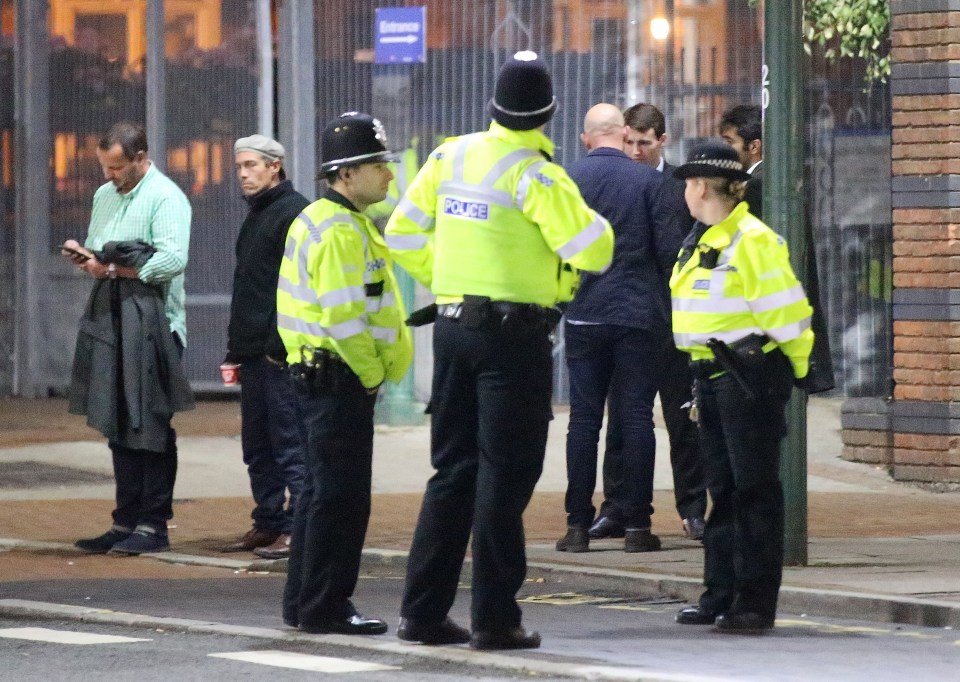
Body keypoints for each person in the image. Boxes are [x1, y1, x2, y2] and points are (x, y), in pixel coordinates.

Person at [385, 51, 613, 650]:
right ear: (549, 113)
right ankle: (494, 619)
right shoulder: (538, 175)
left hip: (455, 328)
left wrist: (453, 280)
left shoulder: (448, 156)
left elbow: (401, 233)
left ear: (493, 106)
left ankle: (422, 613)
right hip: (513, 341)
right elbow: (593, 250)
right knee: (504, 478)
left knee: (452, 472)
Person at [277, 112, 413, 635]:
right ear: (346, 174)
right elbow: (344, 316)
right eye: (378, 164)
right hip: (340, 380)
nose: (389, 174)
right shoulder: (337, 230)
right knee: (341, 501)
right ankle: (328, 605)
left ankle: (304, 603)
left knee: (317, 495)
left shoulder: (326, 220)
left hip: (320, 379)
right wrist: (371, 374)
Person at [670, 140, 814, 633]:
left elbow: (790, 316)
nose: (684, 192)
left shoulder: (752, 240)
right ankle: (720, 593)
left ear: (700, 186)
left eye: (687, 184)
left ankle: (753, 602)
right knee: (723, 491)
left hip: (746, 379)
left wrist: (790, 374)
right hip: (711, 377)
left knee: (754, 491)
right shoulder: (706, 238)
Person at [64, 121, 193, 556]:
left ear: (140, 158)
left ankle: (153, 524)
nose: (108, 176)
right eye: (105, 166)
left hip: (155, 324)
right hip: (113, 319)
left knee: (150, 423)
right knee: (118, 422)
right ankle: (125, 520)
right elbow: (101, 246)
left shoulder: (166, 197)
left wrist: (115, 269)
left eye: (116, 167)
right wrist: (87, 256)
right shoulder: (105, 196)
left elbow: (172, 259)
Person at [554, 103, 678, 555]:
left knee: (584, 421)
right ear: (624, 135)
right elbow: (668, 254)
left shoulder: (567, 182)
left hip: (584, 313)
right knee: (637, 418)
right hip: (638, 316)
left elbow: (556, 247)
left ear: (586, 138)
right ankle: (638, 528)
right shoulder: (650, 181)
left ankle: (576, 527)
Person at [589, 102, 707, 543]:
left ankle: (692, 508)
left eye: (643, 143)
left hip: (673, 318)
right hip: (632, 318)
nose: (635, 151)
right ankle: (617, 507)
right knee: (622, 418)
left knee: (683, 420)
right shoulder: (619, 182)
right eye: (629, 142)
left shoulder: (682, 186)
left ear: (662, 141)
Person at [219, 135, 308, 559]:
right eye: (239, 167)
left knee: (290, 442)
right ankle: (268, 522)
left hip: (279, 353)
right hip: (255, 352)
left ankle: (297, 528)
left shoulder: (292, 213)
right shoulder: (257, 216)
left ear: (275, 166)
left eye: (251, 165)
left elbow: (291, 289)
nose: (243, 174)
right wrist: (236, 349)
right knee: (258, 445)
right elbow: (249, 289)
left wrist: (275, 346)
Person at [719, 104, 834, 394]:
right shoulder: (777, 179)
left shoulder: (757, 187)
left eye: (730, 143)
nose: (726, 151)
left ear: (754, 146)